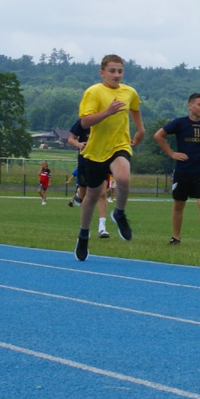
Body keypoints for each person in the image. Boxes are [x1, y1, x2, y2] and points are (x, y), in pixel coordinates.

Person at [74, 54, 145, 261]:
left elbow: (135, 109)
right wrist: (107, 112)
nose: (116, 75)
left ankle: (119, 214)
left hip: (119, 146)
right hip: (95, 151)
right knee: (92, 196)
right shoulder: (94, 92)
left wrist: (141, 130)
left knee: (123, 179)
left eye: (120, 71)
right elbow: (85, 122)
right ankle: (84, 235)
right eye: (112, 71)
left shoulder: (129, 92)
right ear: (102, 72)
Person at [154, 93, 200, 247]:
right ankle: (175, 238)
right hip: (182, 171)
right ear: (190, 105)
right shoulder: (179, 123)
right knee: (179, 204)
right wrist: (171, 153)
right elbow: (158, 136)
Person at [68, 118, 110, 237]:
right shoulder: (83, 121)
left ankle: (102, 227)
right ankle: (85, 227)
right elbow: (70, 139)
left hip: (100, 160)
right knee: (85, 196)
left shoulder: (105, 121)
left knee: (102, 193)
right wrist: (79, 144)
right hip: (84, 161)